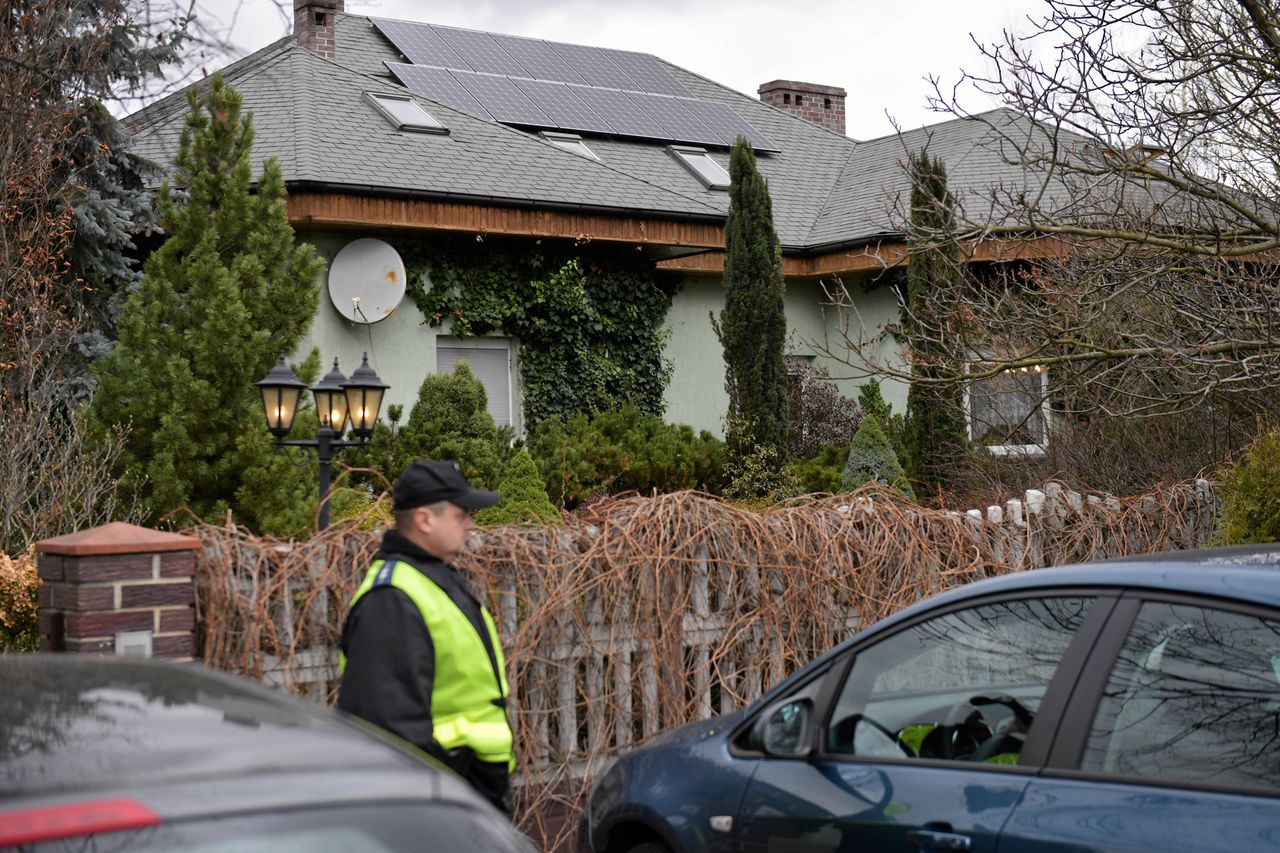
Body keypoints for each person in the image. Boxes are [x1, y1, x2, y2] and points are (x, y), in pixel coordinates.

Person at [337, 459, 514, 812]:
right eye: (461, 514)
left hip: (469, 797)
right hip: (442, 805)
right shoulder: (391, 601)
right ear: (424, 519)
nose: (470, 524)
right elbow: (387, 733)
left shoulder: (431, 579)